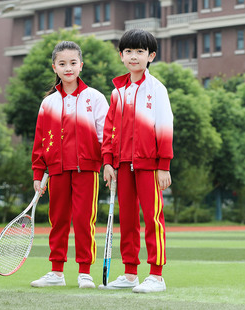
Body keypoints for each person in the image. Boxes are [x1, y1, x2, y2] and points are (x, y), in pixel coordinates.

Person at [31, 41, 109, 289]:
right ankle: (56, 271)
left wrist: (108, 163)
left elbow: (105, 135)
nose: (68, 68)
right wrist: (38, 172)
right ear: (54, 67)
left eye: (73, 63)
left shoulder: (95, 98)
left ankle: (85, 272)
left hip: (87, 169)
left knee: (85, 220)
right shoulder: (48, 104)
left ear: (81, 66)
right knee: (58, 220)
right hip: (57, 171)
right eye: (62, 63)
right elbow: (40, 142)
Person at [100, 29, 173, 293]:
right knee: (127, 220)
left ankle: (156, 275)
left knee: (153, 218)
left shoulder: (157, 89)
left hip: (149, 165)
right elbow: (109, 129)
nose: (134, 56)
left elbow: (165, 127)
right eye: (128, 51)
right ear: (121, 56)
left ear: (151, 56)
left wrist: (163, 165)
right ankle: (130, 273)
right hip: (121, 165)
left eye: (140, 52)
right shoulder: (117, 91)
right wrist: (108, 161)